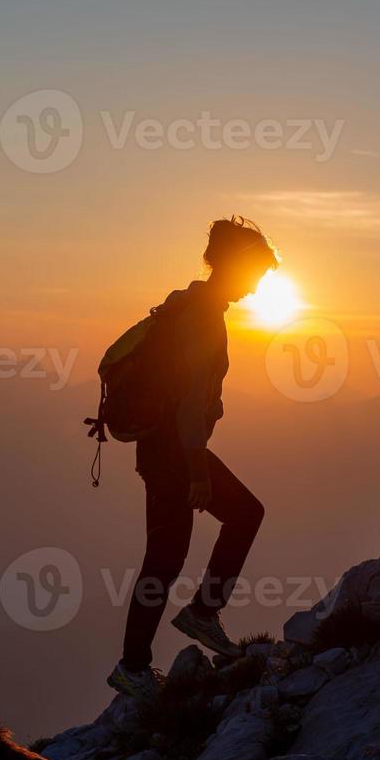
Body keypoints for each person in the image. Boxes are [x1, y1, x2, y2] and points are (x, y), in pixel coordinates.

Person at [106, 217, 277, 702]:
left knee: (163, 558)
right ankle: (189, 623)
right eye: (257, 273)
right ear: (235, 266)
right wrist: (198, 473)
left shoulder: (188, 303)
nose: (258, 285)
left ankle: (137, 662)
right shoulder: (202, 315)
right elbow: (186, 403)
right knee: (242, 515)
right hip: (175, 452)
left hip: (162, 448)